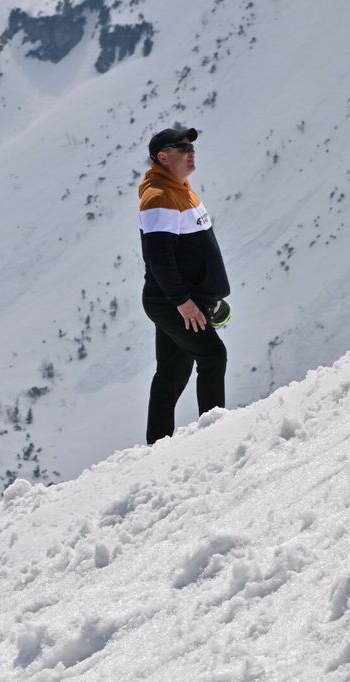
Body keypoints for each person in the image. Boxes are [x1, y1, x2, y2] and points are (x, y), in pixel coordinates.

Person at [139, 126, 232, 445]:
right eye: (181, 147)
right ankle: (216, 430)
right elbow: (159, 258)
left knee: (173, 372)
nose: (190, 150)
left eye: (191, 145)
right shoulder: (160, 199)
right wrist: (183, 302)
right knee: (212, 355)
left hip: (183, 299)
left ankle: (157, 443)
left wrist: (211, 296)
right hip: (174, 302)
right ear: (162, 157)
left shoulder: (180, 189)